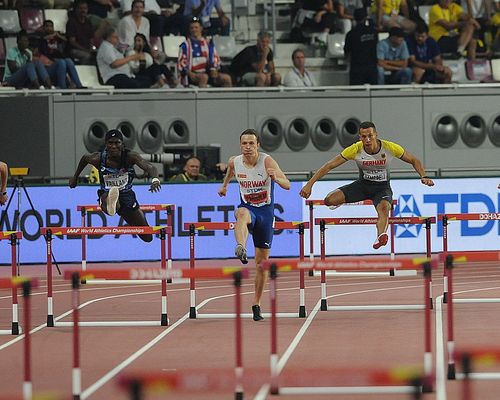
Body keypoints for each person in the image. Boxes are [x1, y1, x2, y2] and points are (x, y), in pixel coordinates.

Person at [299, 121, 434, 250]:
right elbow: (329, 165)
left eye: (370, 136)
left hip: (382, 188)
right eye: (364, 137)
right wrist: (309, 185)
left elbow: (413, 160)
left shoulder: (389, 147)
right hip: (362, 186)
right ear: (360, 137)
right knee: (329, 200)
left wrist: (423, 176)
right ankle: (341, 201)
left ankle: (380, 236)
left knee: (384, 209)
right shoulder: (355, 149)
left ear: (376, 135)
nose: (368, 139)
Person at [217, 129, 290, 321]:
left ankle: (256, 304)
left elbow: (288, 184)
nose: (248, 147)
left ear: (258, 145)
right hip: (248, 208)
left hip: (266, 213)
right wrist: (225, 185)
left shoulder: (267, 161)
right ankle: (241, 246)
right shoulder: (235, 161)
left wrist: (276, 178)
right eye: (244, 144)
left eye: (251, 143)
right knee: (241, 214)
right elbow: (231, 171)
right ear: (240, 146)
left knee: (261, 264)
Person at [69, 129, 161, 242]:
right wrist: (75, 178)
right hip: (106, 193)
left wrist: (155, 180)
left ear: (122, 144)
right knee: (107, 201)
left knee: (147, 237)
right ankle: (112, 203)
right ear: (106, 145)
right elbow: (84, 158)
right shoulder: (98, 158)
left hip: (127, 196)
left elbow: (150, 167)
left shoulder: (130, 156)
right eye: (110, 143)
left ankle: (115, 202)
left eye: (117, 143)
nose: (113, 146)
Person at [177, 18, 232, 88]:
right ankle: (203, 98)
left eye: (196, 27)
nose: (194, 30)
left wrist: (214, 69)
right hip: (192, 74)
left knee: (226, 78)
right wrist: (189, 73)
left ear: (201, 28)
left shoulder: (208, 43)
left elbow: (215, 58)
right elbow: (181, 63)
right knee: (204, 77)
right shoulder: (185, 45)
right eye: (192, 28)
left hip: (208, 72)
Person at [37, 20, 85, 89]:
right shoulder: (39, 37)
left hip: (57, 63)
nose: (49, 28)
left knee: (68, 60)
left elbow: (66, 40)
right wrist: (51, 35)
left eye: (51, 26)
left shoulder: (56, 37)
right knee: (61, 62)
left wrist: (58, 35)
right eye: (47, 26)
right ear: (43, 28)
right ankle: (63, 88)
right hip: (46, 68)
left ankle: (79, 85)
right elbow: (40, 40)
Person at [344, 8, 378, 85]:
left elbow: (347, 52)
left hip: (357, 67)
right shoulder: (374, 32)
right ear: (366, 18)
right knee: (374, 92)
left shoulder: (351, 34)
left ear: (354, 18)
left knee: (357, 94)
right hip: (372, 66)